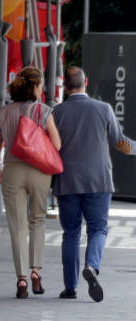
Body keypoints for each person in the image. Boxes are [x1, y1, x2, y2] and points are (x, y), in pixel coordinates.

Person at [52, 66, 136, 302]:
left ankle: (70, 287)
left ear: (65, 86)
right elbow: (120, 142)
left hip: (67, 181)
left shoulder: (57, 113)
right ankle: (92, 266)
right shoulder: (103, 109)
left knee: (70, 233)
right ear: (86, 82)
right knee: (98, 229)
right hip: (99, 181)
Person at [0, 67, 62, 299]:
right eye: (41, 85)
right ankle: (35, 271)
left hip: (12, 170)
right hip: (40, 171)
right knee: (37, 220)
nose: (43, 89)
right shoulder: (43, 111)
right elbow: (57, 145)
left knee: (17, 225)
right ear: (35, 87)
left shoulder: (2, 113)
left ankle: (21, 278)